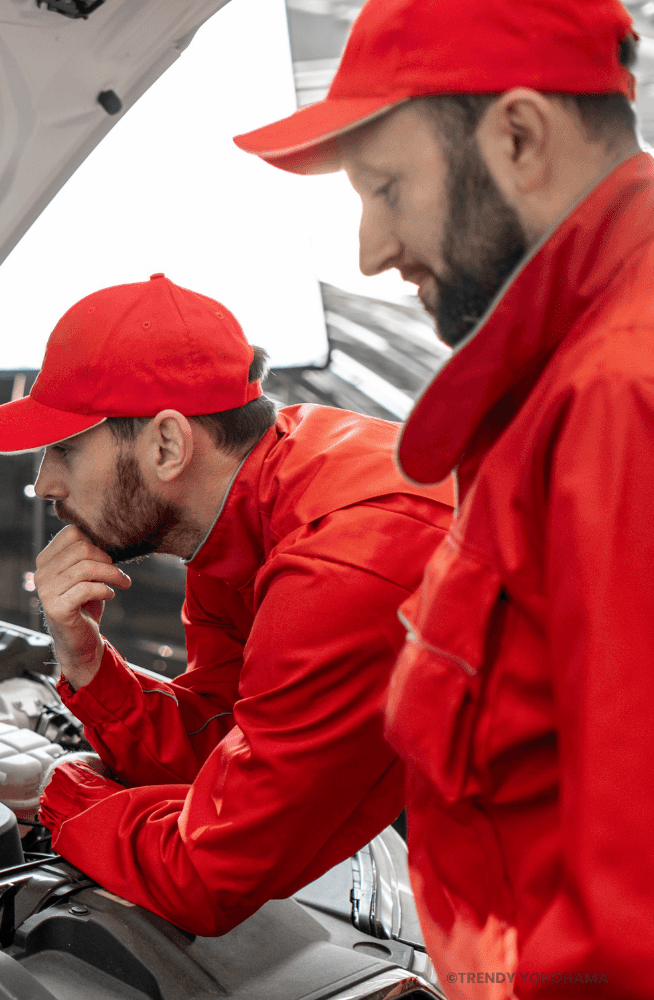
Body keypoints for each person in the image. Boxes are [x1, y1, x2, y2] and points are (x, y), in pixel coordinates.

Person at [234, 0, 654, 992]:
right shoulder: (563, 378)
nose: (373, 249)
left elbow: (632, 926)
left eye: (385, 186)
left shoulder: (619, 397)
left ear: (518, 136)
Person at [0, 274, 454, 935]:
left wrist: (57, 789)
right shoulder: (246, 519)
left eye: (67, 449)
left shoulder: (346, 558)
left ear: (167, 444)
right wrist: (86, 664)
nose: (44, 482)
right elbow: (226, 746)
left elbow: (211, 876)